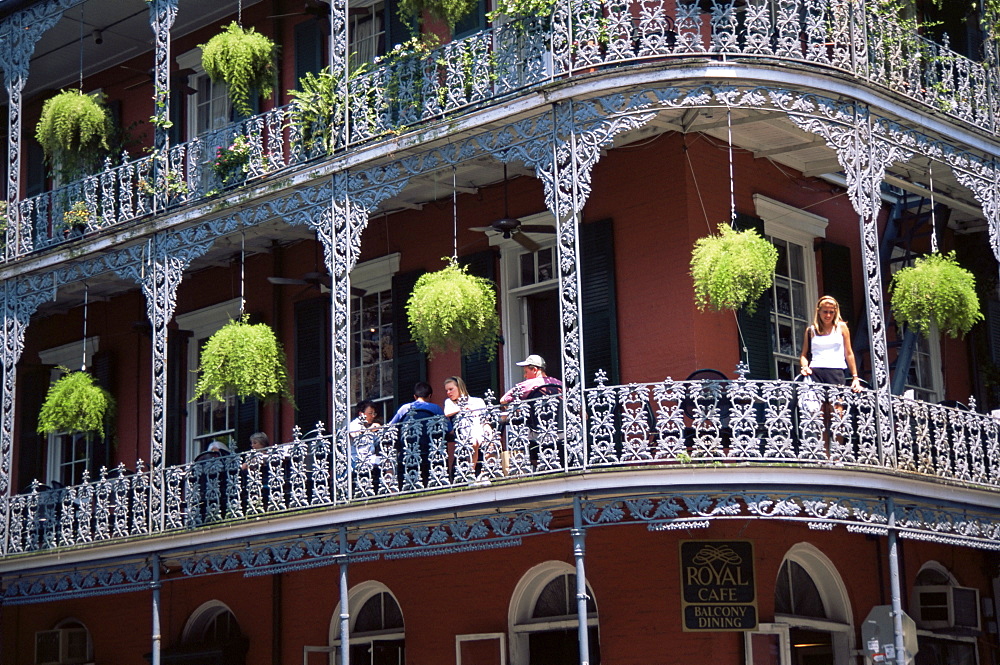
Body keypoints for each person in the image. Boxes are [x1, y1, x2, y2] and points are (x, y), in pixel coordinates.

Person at [800, 295, 862, 393]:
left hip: (836, 371)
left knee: (837, 405)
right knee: (818, 406)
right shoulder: (810, 330)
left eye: (831, 312)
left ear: (835, 312)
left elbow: (849, 353)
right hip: (816, 371)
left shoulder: (841, 327)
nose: (828, 315)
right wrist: (805, 367)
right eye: (825, 311)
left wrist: (855, 377)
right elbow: (804, 355)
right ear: (818, 311)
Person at [443, 376, 491, 472]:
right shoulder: (449, 402)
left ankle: (486, 473)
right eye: (447, 390)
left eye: (451, 389)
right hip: (464, 432)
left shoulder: (477, 401)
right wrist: (462, 408)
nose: (448, 393)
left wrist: (488, 428)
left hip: (479, 428)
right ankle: (471, 472)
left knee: (492, 440)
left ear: (460, 387)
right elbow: (447, 412)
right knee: (473, 442)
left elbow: (485, 419)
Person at [500, 354, 564, 404]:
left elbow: (503, 400)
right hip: (558, 420)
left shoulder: (529, 384)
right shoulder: (559, 384)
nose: (524, 375)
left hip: (535, 420)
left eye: (526, 372)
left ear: (534, 370)